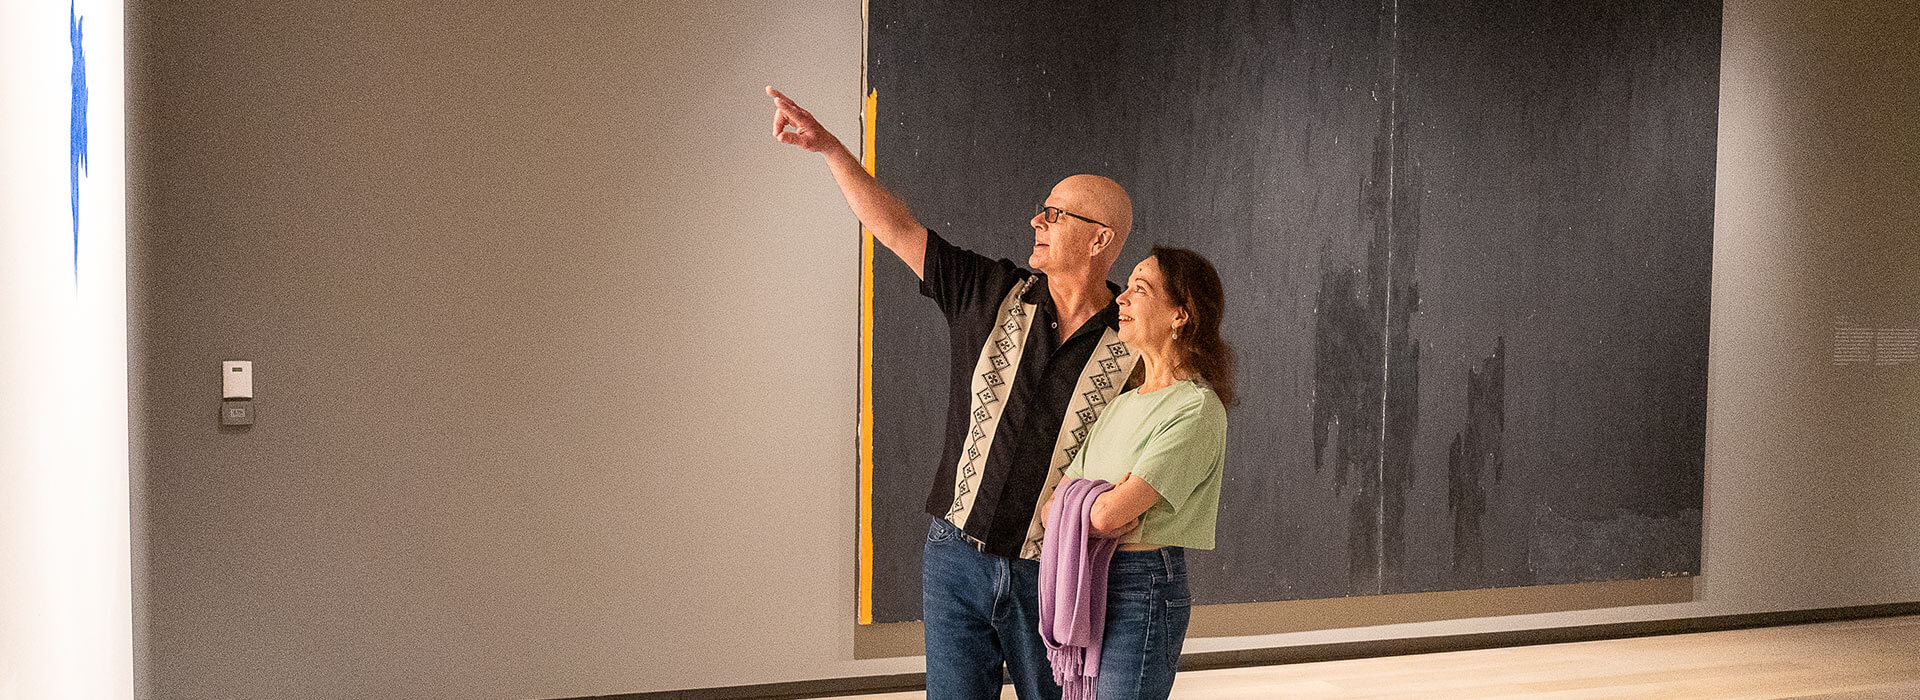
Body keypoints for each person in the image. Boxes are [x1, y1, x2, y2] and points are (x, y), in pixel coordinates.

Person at [768, 86, 1145, 700]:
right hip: (954, 561)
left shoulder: (1136, 335)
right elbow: (896, 227)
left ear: (1099, 240)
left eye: (1055, 215)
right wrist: (831, 148)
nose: (1037, 222)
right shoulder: (991, 290)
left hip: (1055, 571)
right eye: (1041, 211)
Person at [1048, 246, 1234, 700]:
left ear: (1179, 315)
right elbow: (1054, 504)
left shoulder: (1195, 408)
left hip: (1142, 583)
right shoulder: (1122, 405)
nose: (1121, 299)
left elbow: (1107, 516)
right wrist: (1096, 504)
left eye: (1140, 289)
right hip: (1096, 572)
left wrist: (1090, 504)